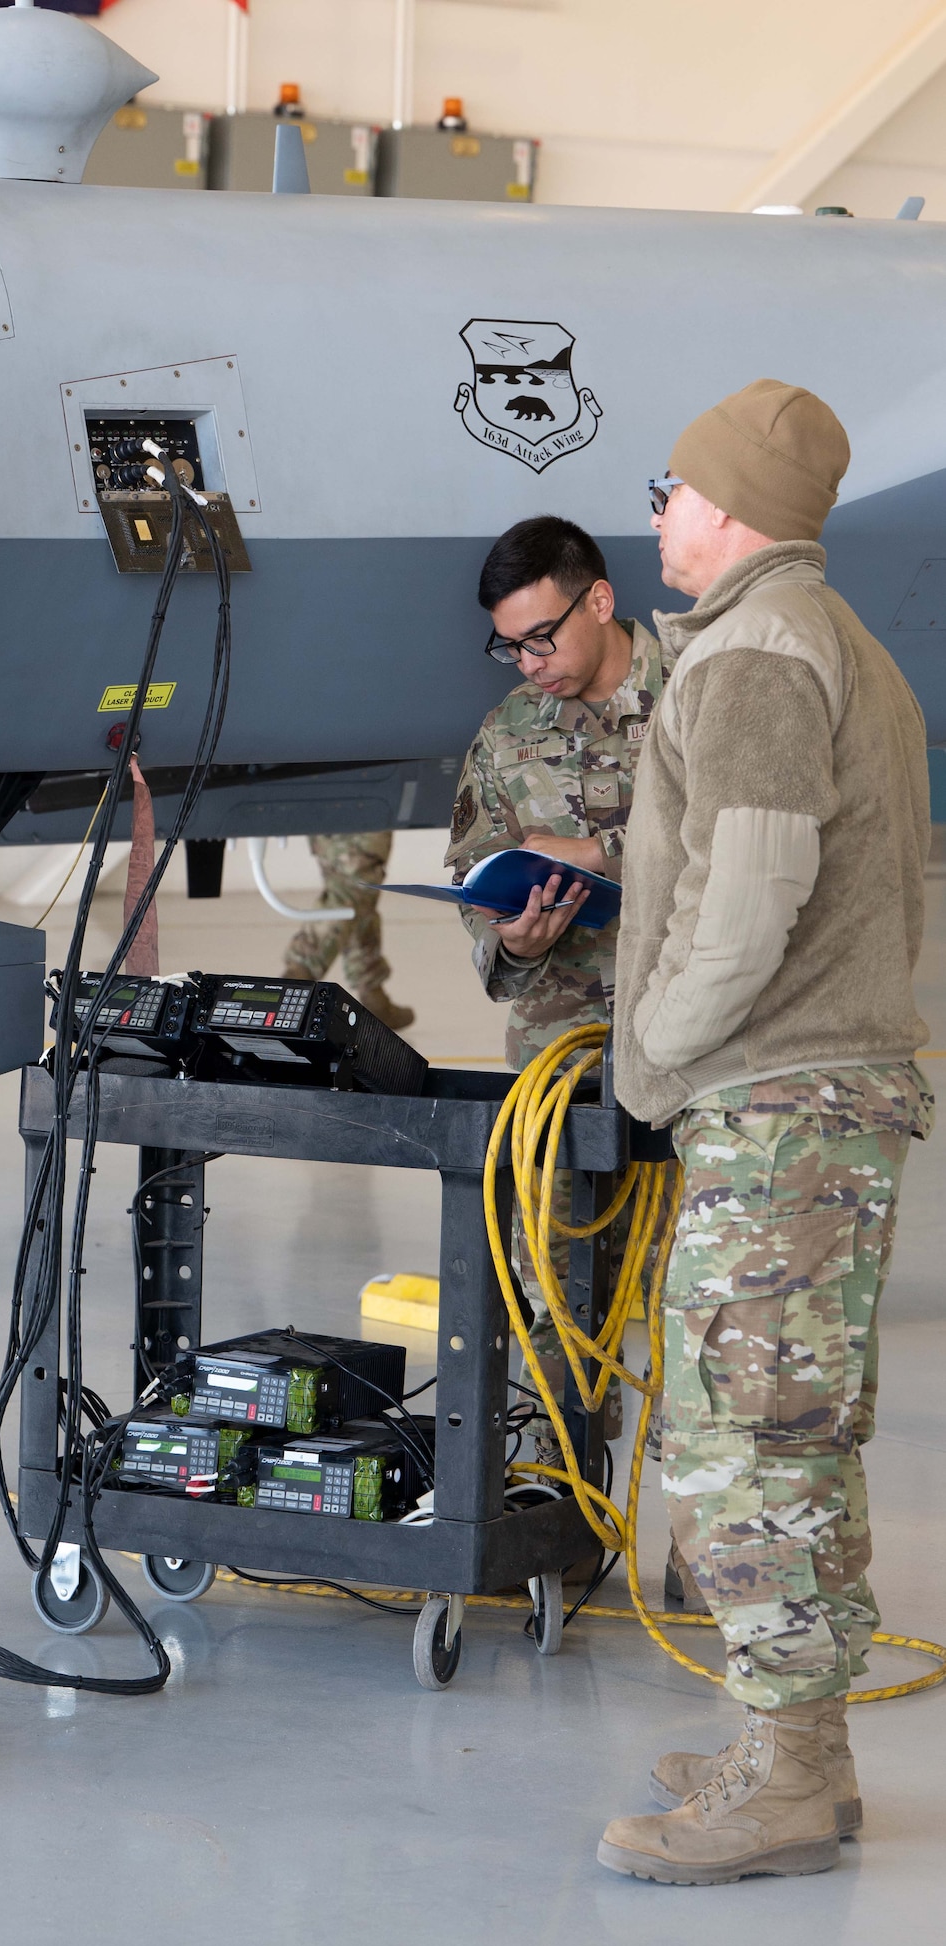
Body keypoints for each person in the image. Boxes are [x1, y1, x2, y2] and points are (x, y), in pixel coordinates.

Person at [598, 379, 933, 1884]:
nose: (655, 508)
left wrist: (650, 1060)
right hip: (816, 1100)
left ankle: (787, 1775)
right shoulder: (822, 638)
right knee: (786, 1429)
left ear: (723, 506)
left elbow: (743, 904)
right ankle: (791, 1747)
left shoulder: (749, 656)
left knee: (747, 1438)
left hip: (777, 1099)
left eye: (668, 484)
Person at [445, 516, 673, 1525]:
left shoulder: (700, 697)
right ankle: (551, 1497)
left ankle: (697, 1516)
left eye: (541, 635)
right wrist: (515, 941)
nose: (526, 661)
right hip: (559, 1057)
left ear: (598, 599)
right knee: (550, 1278)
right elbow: (474, 882)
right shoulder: (505, 737)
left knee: (687, 1289)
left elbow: (745, 841)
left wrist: (598, 853)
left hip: (696, 1040)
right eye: (508, 644)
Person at [284, 832, 415, 1030]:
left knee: (359, 899)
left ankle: (373, 996)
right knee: (349, 898)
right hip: (362, 814)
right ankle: (297, 982)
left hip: (336, 814)